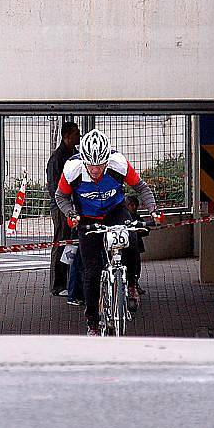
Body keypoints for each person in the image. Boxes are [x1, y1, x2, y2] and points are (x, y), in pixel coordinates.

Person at [55, 128, 161, 336]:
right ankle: (93, 323)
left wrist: (153, 209)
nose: (95, 170)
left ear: (107, 159)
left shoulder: (118, 164)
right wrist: (71, 213)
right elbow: (61, 197)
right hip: (87, 217)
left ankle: (131, 282)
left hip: (115, 210)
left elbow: (141, 188)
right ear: (83, 160)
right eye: (91, 165)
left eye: (100, 165)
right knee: (91, 272)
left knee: (131, 236)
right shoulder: (72, 169)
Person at [46, 121, 81, 296]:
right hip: (61, 207)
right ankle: (58, 284)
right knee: (61, 241)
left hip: (72, 205)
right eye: (76, 133)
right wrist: (66, 205)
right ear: (67, 136)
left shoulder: (74, 155)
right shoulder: (57, 159)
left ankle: (68, 281)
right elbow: (54, 189)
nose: (79, 136)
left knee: (71, 242)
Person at [124, 194, 147, 296]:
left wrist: (139, 231)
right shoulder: (122, 217)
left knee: (136, 266)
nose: (133, 207)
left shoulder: (137, 217)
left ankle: (134, 284)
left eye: (135, 205)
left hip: (135, 246)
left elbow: (146, 229)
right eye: (131, 205)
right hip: (124, 247)